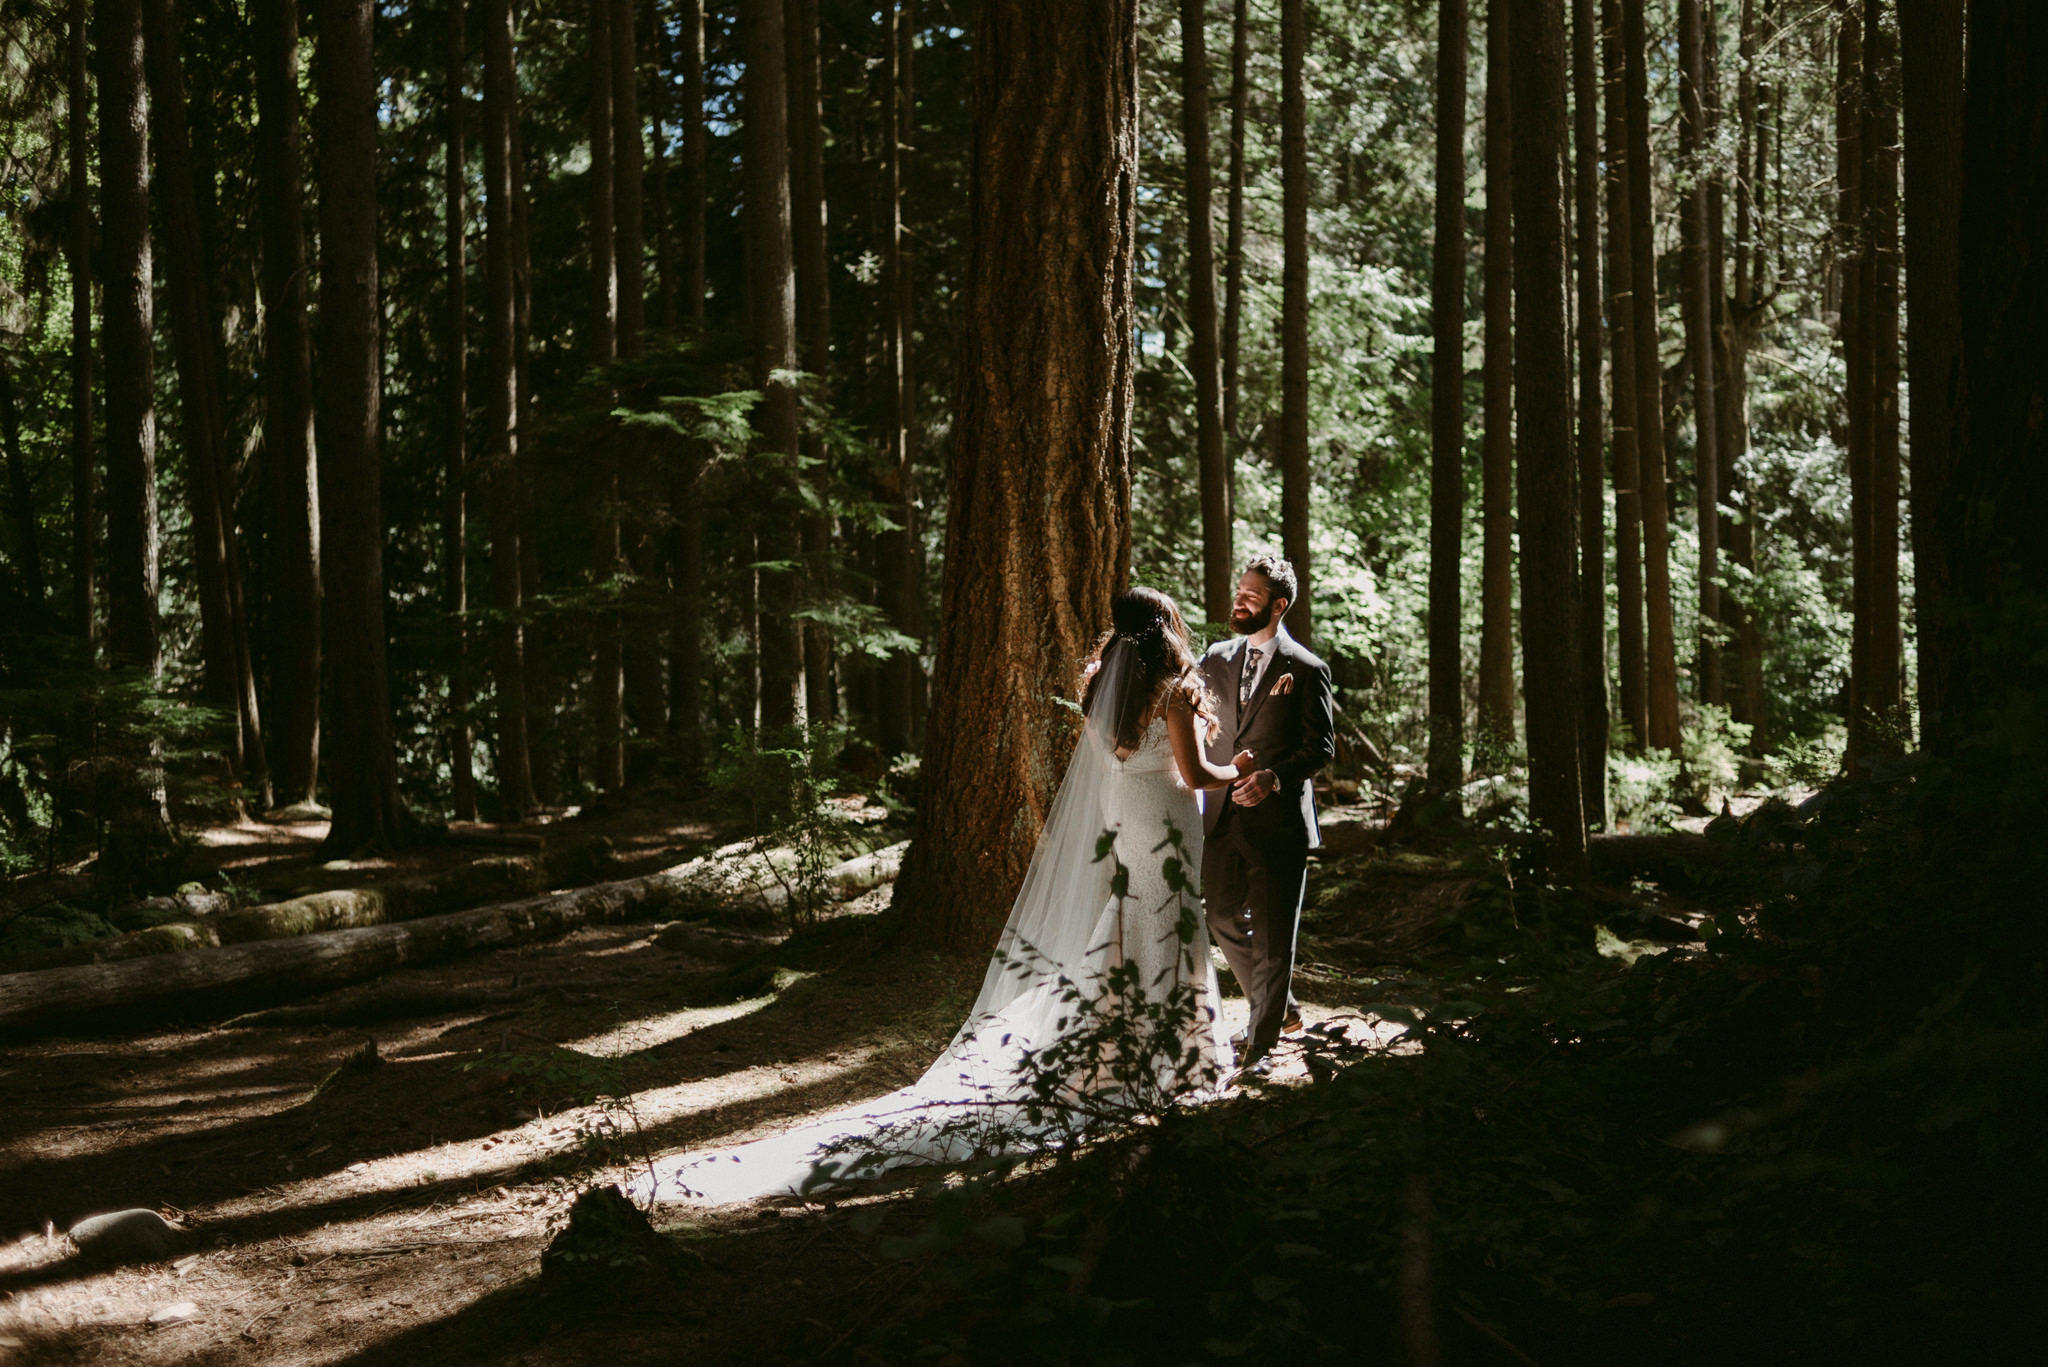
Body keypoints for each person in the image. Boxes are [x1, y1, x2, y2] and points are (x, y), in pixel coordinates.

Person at [636, 587, 1253, 1204]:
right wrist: (1243, 766)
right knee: (1171, 917)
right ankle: (1176, 1052)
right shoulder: (1172, 691)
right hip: (1164, 816)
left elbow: (1112, 763)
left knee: (1133, 919)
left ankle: (1128, 1048)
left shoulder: (1103, 690)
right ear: (1166, 626)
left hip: (1126, 814)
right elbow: (1197, 773)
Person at [1198, 556, 1336, 1073]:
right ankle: (1286, 1009)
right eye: (1240, 591)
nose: (1239, 601)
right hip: (1221, 817)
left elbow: (1320, 747)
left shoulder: (1307, 668)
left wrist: (1273, 776)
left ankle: (1260, 1047)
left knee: (1277, 936)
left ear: (1278, 605)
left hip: (1278, 822)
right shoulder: (1214, 657)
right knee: (1221, 916)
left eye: (1251, 596)